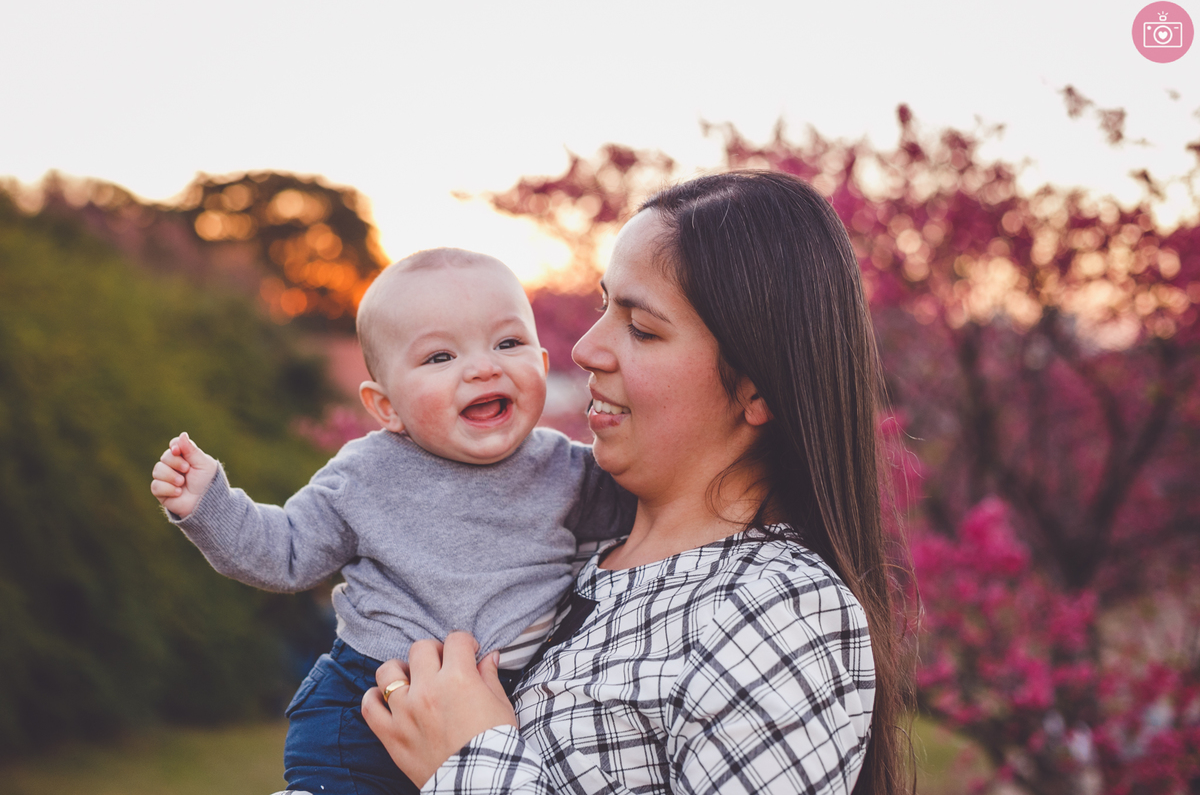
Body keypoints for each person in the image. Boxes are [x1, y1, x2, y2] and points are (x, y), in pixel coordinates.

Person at [359, 171, 912, 795]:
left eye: (641, 328)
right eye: (603, 307)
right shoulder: (575, 551)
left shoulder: (773, 608)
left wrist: (468, 765)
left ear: (756, 387)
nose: (587, 349)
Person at [149, 249, 634, 795]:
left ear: (542, 367)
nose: (483, 367)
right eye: (439, 357)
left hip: (510, 705)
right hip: (373, 700)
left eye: (508, 343)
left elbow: (656, 505)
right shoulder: (366, 475)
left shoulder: (567, 469)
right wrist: (209, 503)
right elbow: (283, 552)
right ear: (387, 408)